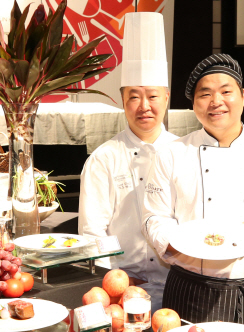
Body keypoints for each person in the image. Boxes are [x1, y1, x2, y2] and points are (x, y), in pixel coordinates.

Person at [142, 54, 244, 332]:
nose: (215, 101)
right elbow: (154, 217)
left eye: (226, 91)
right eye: (205, 94)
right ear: (194, 104)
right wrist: (178, 246)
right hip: (188, 287)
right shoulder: (172, 153)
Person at [79, 12, 177, 310]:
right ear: (122, 100)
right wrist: (117, 276)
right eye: (134, 97)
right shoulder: (103, 158)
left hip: (181, 286)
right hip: (122, 291)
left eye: (152, 96)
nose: (144, 106)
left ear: (167, 97)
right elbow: (92, 231)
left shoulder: (183, 152)